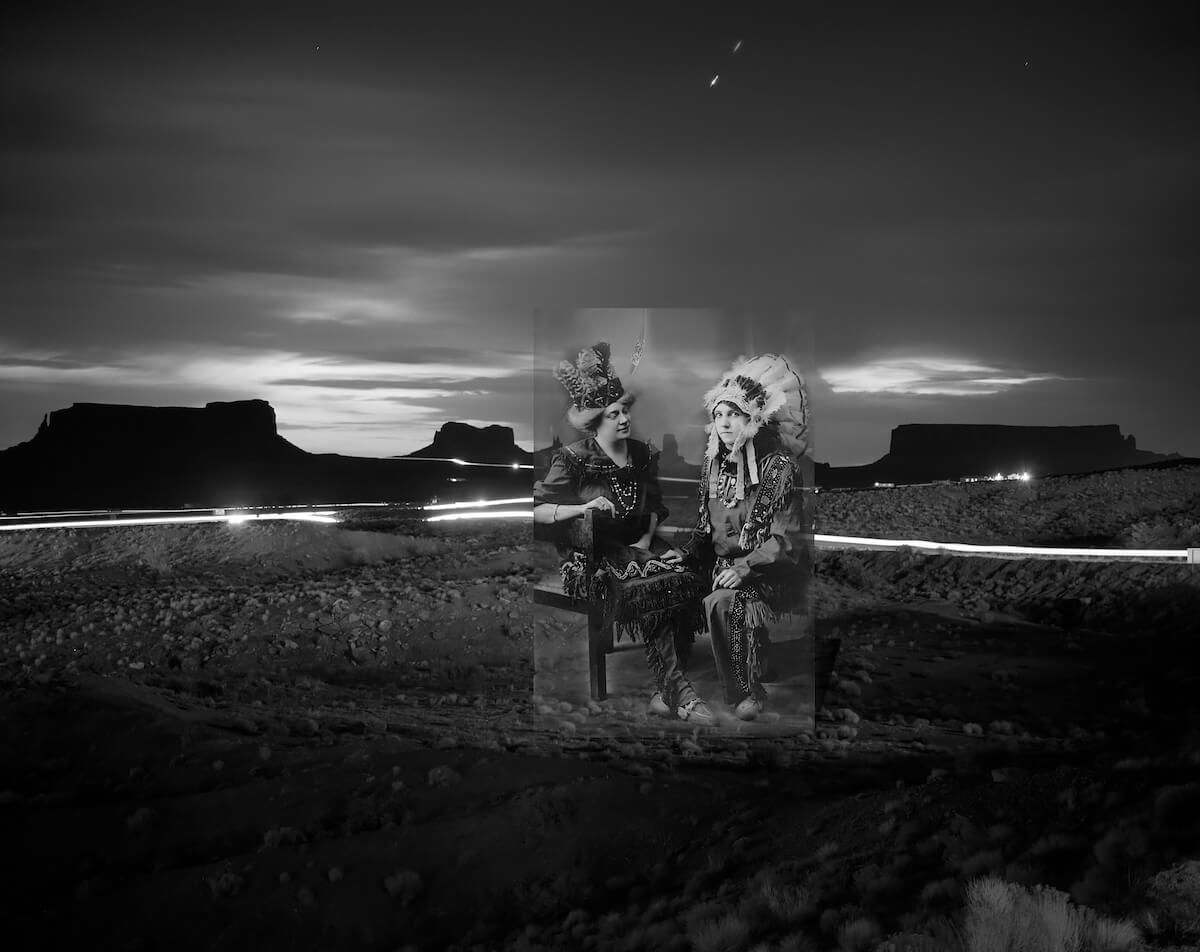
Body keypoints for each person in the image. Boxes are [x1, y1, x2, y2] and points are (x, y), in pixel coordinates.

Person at [533, 342, 713, 723]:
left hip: (639, 542)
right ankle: (679, 692)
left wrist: (649, 540)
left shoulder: (642, 453)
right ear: (595, 421)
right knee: (654, 586)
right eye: (613, 413)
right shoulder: (574, 458)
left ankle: (665, 689)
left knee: (684, 578)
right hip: (595, 551)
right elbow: (540, 511)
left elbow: (654, 505)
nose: (623, 418)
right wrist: (582, 508)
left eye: (625, 410)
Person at [667, 354, 810, 721]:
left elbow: (785, 541)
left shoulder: (778, 468)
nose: (724, 423)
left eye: (733, 414)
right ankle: (669, 683)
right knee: (663, 583)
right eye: (718, 415)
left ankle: (747, 692)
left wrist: (745, 566)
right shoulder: (714, 466)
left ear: (753, 419)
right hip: (720, 565)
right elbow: (705, 530)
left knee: (721, 601)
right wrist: (685, 556)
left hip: (767, 572)